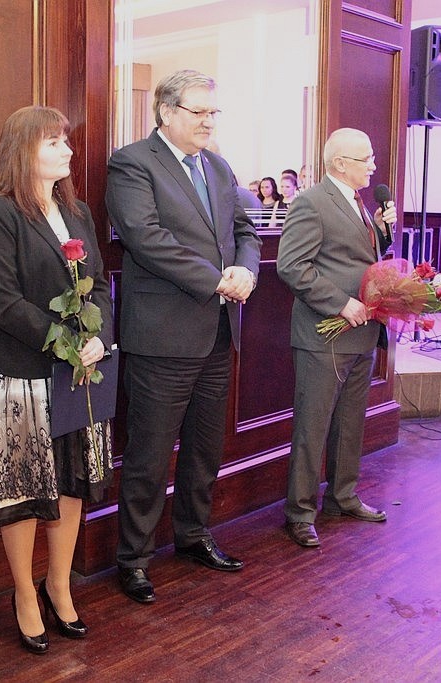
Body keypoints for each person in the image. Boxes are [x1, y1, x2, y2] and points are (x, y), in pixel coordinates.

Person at [105, 69, 262, 605]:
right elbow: (145, 238)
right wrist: (215, 279)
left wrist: (246, 270)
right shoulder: (132, 163)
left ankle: (194, 535)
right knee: (149, 456)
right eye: (199, 111)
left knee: (204, 449)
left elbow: (244, 231)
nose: (208, 122)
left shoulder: (217, 166)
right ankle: (134, 559)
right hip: (162, 336)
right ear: (167, 112)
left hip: (217, 332)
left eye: (213, 112)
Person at [0, 106, 114, 654]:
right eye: (54, 142)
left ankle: (59, 586)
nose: (67, 150)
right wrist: (67, 344)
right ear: (23, 150)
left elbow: (99, 284)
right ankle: (24, 595)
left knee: (72, 482)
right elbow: (3, 303)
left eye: (66, 141)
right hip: (23, 376)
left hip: (79, 376)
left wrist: (98, 336)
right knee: (24, 490)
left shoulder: (77, 213)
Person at [276, 128, 395, 549]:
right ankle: (300, 512)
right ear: (341, 163)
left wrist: (383, 232)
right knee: (313, 426)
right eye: (367, 159)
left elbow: (359, 258)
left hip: (362, 333)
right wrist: (341, 303)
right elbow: (292, 266)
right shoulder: (311, 202)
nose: (374, 166)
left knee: (350, 423)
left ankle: (342, 496)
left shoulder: (360, 203)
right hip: (324, 335)